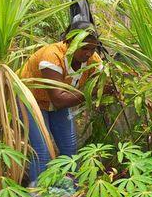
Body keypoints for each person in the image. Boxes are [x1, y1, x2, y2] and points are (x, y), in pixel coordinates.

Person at [18, 20, 103, 184]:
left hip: (61, 101)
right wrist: (92, 92)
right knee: (42, 151)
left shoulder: (93, 60)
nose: (89, 53)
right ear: (70, 42)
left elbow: (101, 83)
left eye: (93, 48)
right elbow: (58, 100)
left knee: (69, 148)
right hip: (31, 99)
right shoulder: (53, 56)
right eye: (84, 48)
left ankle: (70, 192)